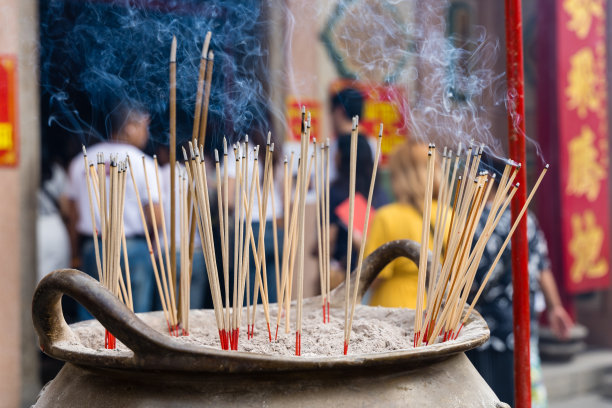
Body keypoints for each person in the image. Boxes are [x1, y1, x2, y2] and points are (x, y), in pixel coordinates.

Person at [466, 155, 573, 408]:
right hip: (523, 325)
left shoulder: (478, 222)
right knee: (522, 394)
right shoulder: (524, 217)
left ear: (486, 178)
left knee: (494, 399)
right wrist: (556, 306)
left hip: (490, 334)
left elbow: (476, 282)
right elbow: (542, 265)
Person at [64, 101, 161, 320]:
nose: (147, 134)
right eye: (144, 126)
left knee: (92, 314)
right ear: (129, 128)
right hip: (133, 248)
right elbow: (155, 217)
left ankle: (92, 354)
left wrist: (75, 254)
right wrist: (154, 246)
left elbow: (72, 215)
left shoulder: (81, 161)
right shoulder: (141, 162)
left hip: (93, 247)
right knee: (134, 320)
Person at [363, 141, 446, 308]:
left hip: (392, 311)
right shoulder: (449, 215)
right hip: (434, 309)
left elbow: (372, 279)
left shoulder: (386, 217)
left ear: (397, 176)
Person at [327, 133, 388, 289]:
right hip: (377, 276)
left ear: (343, 157)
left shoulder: (336, 193)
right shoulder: (381, 194)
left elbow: (326, 243)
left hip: (345, 279)